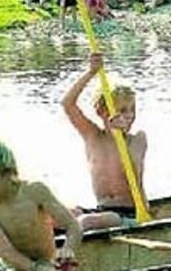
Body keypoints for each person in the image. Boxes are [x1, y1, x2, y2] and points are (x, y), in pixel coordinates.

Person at [61, 52, 148, 230]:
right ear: (101, 111)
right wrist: (91, 72)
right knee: (55, 213)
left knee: (86, 222)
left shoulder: (138, 139)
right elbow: (67, 104)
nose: (129, 115)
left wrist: (119, 137)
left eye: (132, 109)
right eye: (122, 110)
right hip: (102, 211)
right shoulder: (92, 136)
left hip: (130, 213)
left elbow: (133, 170)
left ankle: (66, 251)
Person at [0, 140, 82, 271]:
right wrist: (35, 268)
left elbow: (72, 225)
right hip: (17, 267)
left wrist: (68, 249)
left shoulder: (34, 191)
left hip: (49, 261)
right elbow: (6, 251)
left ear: (8, 174)